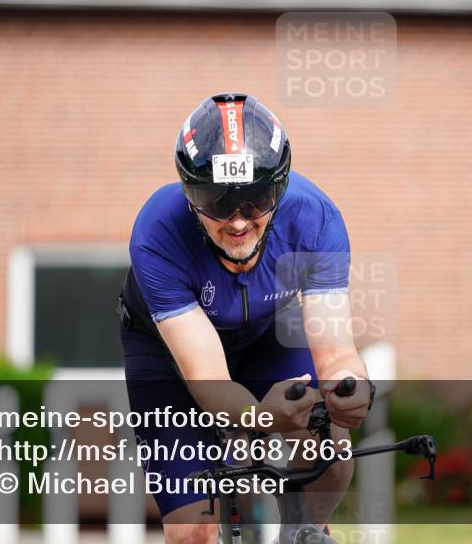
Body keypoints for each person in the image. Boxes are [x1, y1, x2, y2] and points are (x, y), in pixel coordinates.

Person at [118, 92, 374, 543]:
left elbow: (337, 355)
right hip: (168, 357)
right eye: (217, 201)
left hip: (262, 335)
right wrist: (257, 419)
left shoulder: (314, 219)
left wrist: (350, 389)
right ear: (188, 194)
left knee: (331, 444)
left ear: (280, 187)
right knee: (193, 530)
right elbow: (206, 377)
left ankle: (303, 530)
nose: (238, 222)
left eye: (256, 199)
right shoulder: (157, 232)